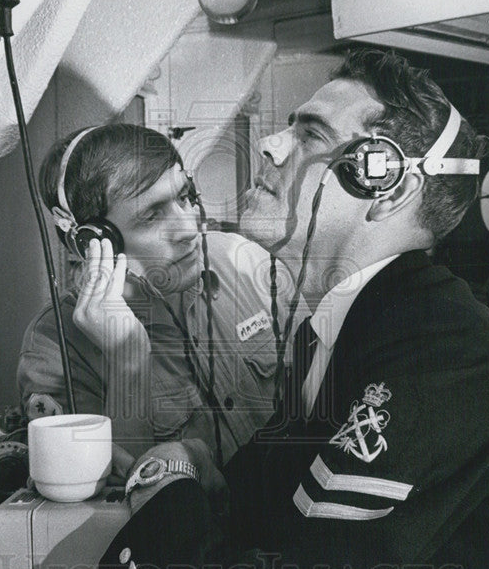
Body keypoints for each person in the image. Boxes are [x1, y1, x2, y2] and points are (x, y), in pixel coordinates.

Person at [99, 49, 489, 569]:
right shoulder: (337, 336)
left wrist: (161, 491)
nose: (270, 145)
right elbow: (262, 505)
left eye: (310, 134)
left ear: (387, 186)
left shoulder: (448, 357)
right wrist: (195, 460)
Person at [17, 123, 292, 462]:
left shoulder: (244, 260)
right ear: (92, 240)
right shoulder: (55, 347)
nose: (190, 228)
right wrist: (126, 359)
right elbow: (111, 501)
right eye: (151, 216)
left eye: (184, 197)